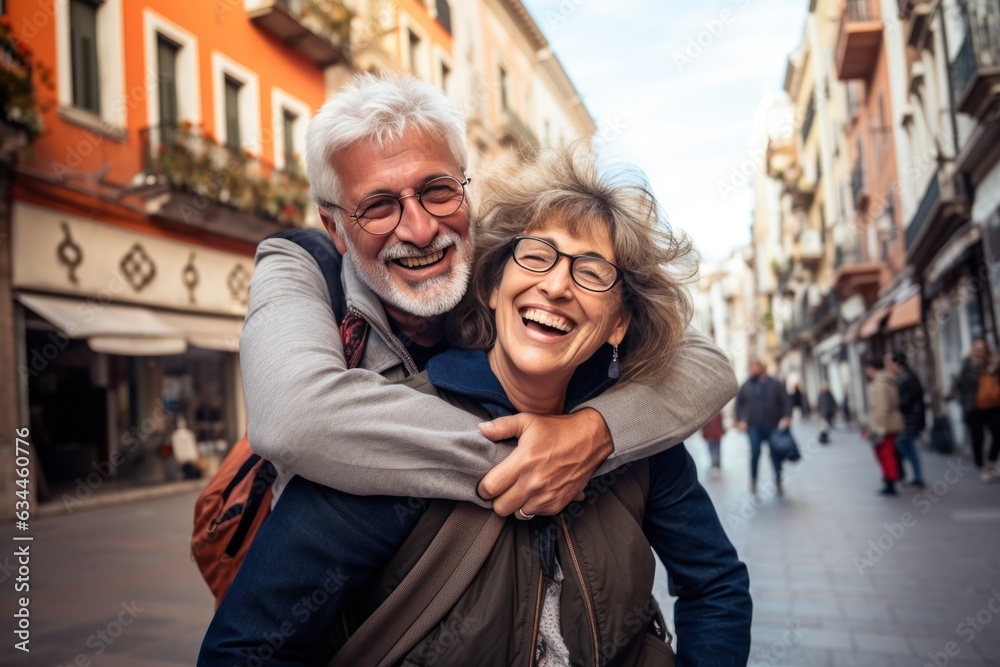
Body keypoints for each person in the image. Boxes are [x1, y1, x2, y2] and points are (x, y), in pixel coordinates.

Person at [201, 147, 751, 666]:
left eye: (592, 272)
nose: (558, 285)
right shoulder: (388, 432)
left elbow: (716, 585)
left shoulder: (640, 441)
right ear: (491, 285)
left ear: (620, 323)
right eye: (537, 256)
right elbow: (246, 646)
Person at [239, 73, 737, 519]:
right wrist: (532, 463)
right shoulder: (298, 263)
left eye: (437, 190)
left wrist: (592, 433)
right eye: (378, 206)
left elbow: (706, 363)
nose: (418, 229)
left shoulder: (507, 260)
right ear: (335, 227)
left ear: (465, 188)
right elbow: (292, 418)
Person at [735, 359, 791, 496]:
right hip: (753, 427)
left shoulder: (775, 383)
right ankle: (753, 480)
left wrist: (787, 417)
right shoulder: (746, 385)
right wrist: (739, 421)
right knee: (754, 454)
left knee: (775, 455)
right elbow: (738, 404)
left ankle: (778, 482)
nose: (752, 369)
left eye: (754, 366)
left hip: (772, 426)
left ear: (761, 367)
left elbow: (785, 400)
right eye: (750, 367)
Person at [955, 337, 1000, 482]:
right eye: (978, 348)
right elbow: (962, 386)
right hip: (974, 407)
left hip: (993, 406)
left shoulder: (992, 365)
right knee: (977, 437)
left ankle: (992, 461)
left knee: (998, 434)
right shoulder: (967, 366)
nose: (980, 351)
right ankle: (981, 466)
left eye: (983, 348)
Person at [863, 356, 904, 496]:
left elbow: (881, 407)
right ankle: (890, 480)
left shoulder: (879, 383)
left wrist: (877, 428)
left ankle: (890, 482)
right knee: (888, 453)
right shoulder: (887, 380)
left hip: (883, 426)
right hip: (890, 424)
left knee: (885, 454)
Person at [889, 352, 925, 489]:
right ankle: (913, 475)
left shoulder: (905, 378)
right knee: (906, 447)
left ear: (897, 364)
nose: (888, 366)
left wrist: (895, 406)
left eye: (890, 363)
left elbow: (908, 400)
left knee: (907, 447)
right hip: (908, 419)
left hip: (909, 420)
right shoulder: (904, 377)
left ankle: (916, 475)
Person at [701, 411, 725, 476]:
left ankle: (716, 465)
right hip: (713, 435)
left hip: (714, 435)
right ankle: (716, 465)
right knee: (715, 451)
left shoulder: (706, 414)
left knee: (714, 451)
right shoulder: (708, 414)